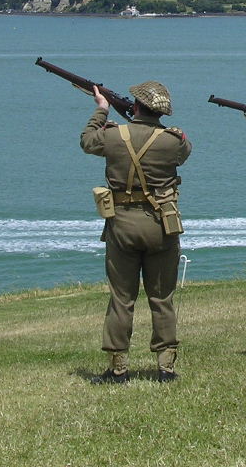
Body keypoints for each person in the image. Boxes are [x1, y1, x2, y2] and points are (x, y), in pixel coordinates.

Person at [81, 81, 192, 384]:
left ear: (137, 106)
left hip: (122, 225)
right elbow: (185, 152)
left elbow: (87, 141)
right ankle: (166, 367)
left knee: (121, 298)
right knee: (162, 297)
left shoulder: (113, 135)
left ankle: (118, 369)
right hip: (161, 225)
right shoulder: (173, 140)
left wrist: (102, 110)